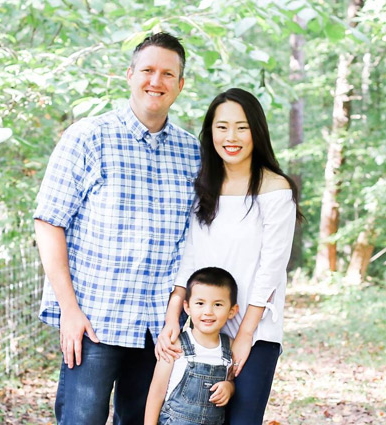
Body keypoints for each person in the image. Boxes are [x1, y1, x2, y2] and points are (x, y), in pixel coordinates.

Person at [33, 32, 200, 425]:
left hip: (159, 330)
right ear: (129, 75)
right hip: (94, 322)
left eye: (167, 73)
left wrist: (179, 317)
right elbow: (48, 222)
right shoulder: (88, 136)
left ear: (180, 84)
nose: (155, 81)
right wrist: (69, 312)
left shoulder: (193, 153)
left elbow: (195, 240)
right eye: (147, 70)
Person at [156, 88, 303, 425]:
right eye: (222, 127)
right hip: (205, 328)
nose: (231, 137)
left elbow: (271, 267)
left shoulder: (276, 189)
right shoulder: (204, 187)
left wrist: (244, 336)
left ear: (257, 131)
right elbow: (190, 255)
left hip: (255, 331)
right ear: (210, 134)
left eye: (242, 127)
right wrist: (172, 317)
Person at [145, 267, 239, 425]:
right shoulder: (175, 344)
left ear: (232, 311)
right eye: (200, 303)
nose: (208, 311)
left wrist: (229, 388)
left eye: (217, 305)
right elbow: (157, 391)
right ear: (187, 307)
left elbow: (232, 380)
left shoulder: (230, 347)